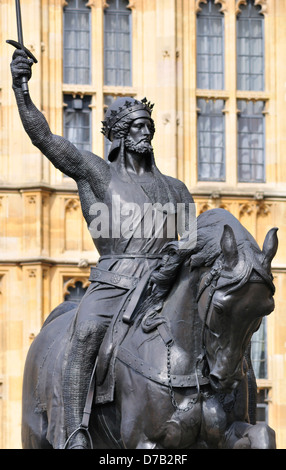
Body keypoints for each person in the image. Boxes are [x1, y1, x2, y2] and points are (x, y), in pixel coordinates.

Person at [10, 49, 196, 448]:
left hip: (165, 286)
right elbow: (45, 138)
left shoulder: (177, 189)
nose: (145, 133)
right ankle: (75, 430)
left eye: (148, 126)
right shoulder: (99, 173)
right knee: (86, 332)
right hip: (115, 283)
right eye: (136, 127)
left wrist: (179, 261)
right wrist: (22, 90)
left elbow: (191, 244)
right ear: (119, 136)